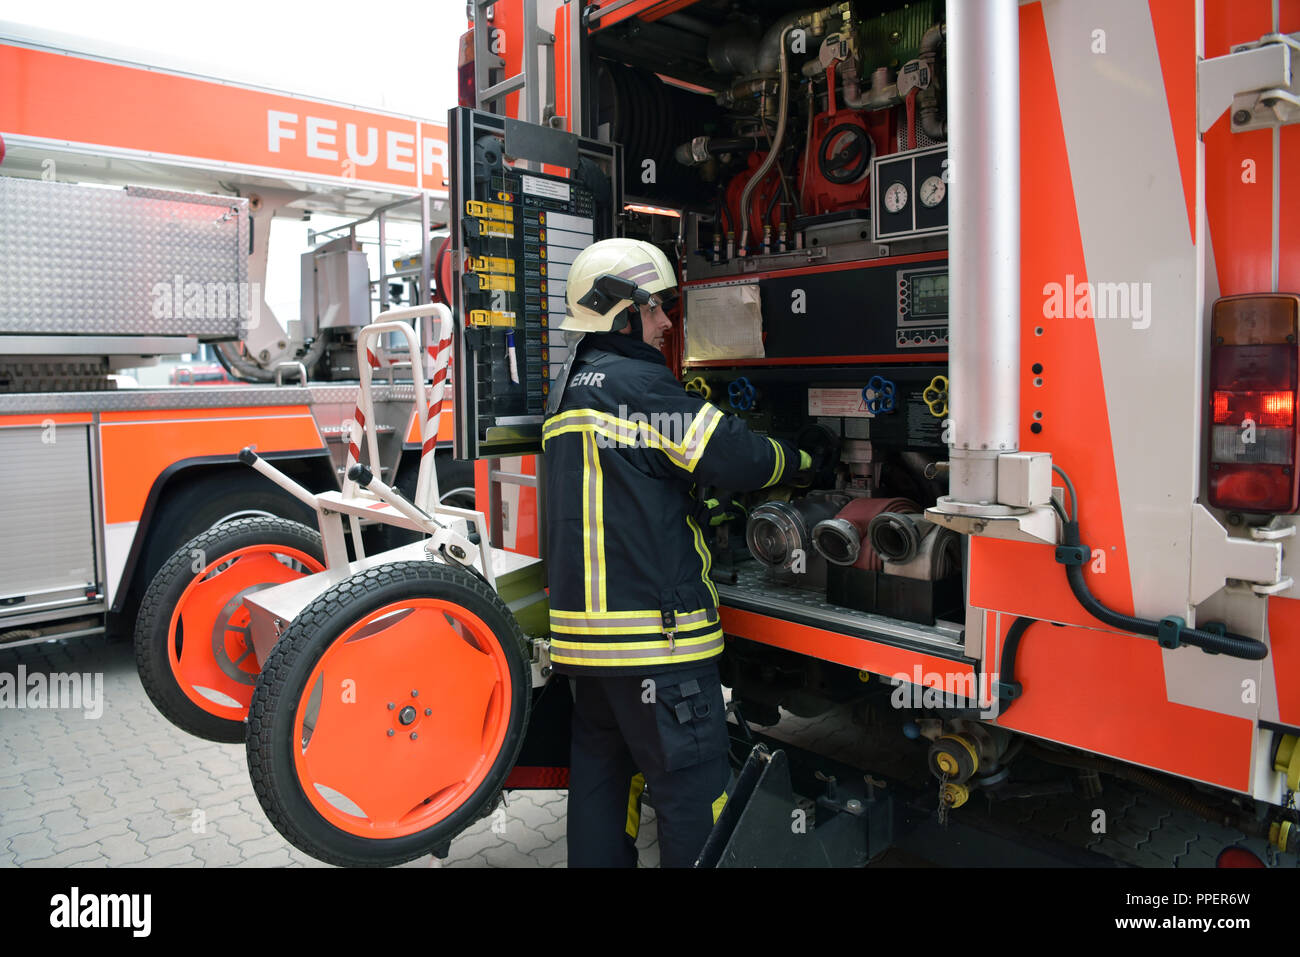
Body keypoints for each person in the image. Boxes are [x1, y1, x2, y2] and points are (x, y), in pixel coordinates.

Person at [541, 237, 809, 867]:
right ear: (620, 310)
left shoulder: (569, 387)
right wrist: (800, 458)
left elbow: (627, 488)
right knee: (693, 801)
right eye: (655, 307)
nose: (666, 323)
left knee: (603, 790)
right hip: (657, 650)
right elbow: (734, 456)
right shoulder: (640, 386)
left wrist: (690, 506)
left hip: (588, 653)